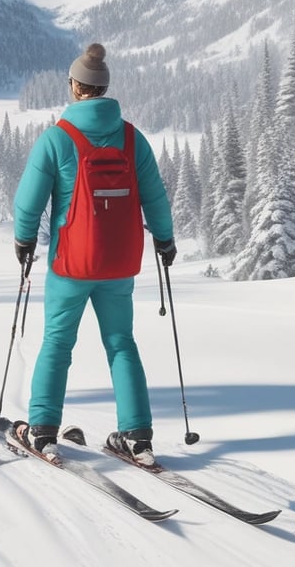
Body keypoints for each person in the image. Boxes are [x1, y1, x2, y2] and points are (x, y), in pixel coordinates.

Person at [9, 43, 176, 465]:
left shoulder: (57, 139)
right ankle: (137, 436)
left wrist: (24, 241)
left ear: (74, 87)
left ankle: (43, 430)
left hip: (72, 264)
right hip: (119, 264)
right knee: (121, 343)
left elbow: (28, 202)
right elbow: (155, 195)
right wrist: (165, 239)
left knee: (57, 344)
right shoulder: (131, 137)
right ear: (104, 89)